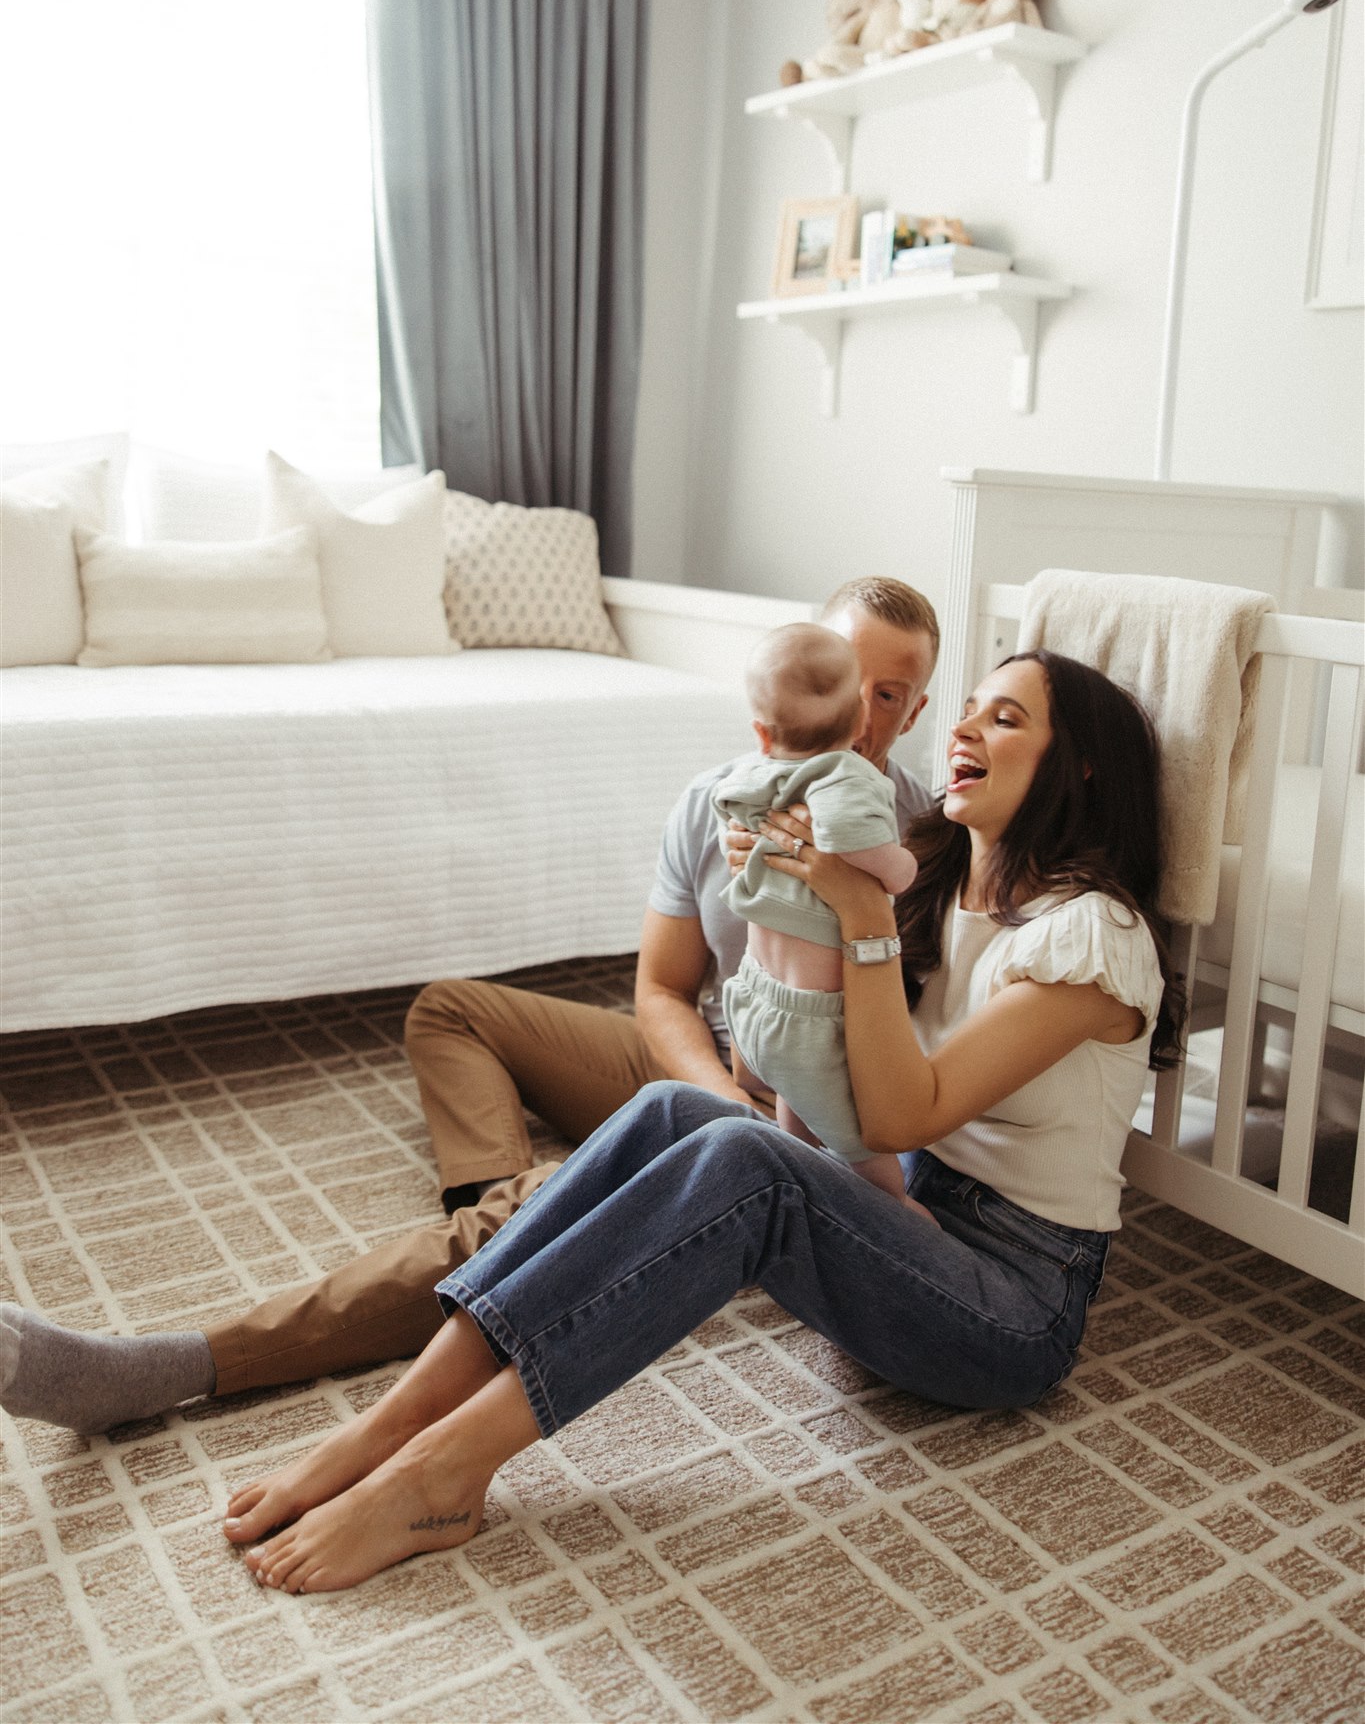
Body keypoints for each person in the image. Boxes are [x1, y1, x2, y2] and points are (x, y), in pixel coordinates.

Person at [226, 648, 1186, 1596]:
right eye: (967, 709)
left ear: (1081, 766)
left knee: (744, 1161)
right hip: (907, 1221)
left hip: (1008, 1304)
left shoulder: (1092, 938)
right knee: (674, 1109)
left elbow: (901, 1109)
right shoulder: (937, 883)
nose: (964, 730)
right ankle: (396, 1424)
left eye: (1005, 718)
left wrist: (855, 912)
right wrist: (785, 887)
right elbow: (824, 1055)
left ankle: (442, 1477)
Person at [0, 577, 940, 1436]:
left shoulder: (922, 834)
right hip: (726, 1068)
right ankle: (505, 1202)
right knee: (451, 1010)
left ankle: (177, 1364)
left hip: (820, 1098)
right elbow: (660, 989)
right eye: (851, 677)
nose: (862, 711)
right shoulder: (716, 801)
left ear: (909, 706)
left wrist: (756, 1124)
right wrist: (717, 1095)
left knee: (544, 1206)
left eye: (891, 694)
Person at [713, 622, 919, 1198]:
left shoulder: (750, 775)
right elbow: (850, 837)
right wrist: (899, 868)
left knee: (796, 1125)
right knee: (870, 1157)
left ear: (759, 732)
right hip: (811, 1018)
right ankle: (905, 1219)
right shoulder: (845, 773)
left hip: (753, 995)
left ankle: (803, 1193)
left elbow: (728, 818)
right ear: (859, 722)